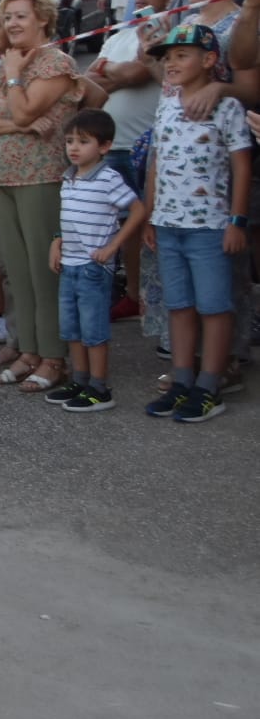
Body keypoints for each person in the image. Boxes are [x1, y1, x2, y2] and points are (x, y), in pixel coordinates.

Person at [0, 0, 82, 394]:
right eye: (9, 17)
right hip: (0, 177)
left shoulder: (55, 62)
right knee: (17, 273)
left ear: (43, 20)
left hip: (41, 177)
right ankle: (31, 351)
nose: (12, 25)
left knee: (43, 270)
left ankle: (54, 356)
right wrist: (18, 124)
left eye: (20, 17)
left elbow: (24, 108)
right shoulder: (7, 64)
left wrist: (16, 79)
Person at [144, 24, 250, 424]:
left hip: (210, 226)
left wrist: (237, 220)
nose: (171, 63)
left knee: (214, 306)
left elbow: (241, 164)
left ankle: (210, 385)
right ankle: (182, 380)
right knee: (180, 305)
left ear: (209, 60)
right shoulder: (167, 102)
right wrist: (149, 214)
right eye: (167, 57)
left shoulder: (226, 107)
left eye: (181, 55)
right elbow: (156, 161)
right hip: (168, 224)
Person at [87, 0, 175, 319]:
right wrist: (119, 73)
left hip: (145, 147)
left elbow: (141, 71)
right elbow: (88, 78)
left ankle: (155, 300)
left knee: (145, 226)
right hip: (110, 145)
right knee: (114, 226)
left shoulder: (165, 30)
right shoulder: (120, 32)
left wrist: (114, 71)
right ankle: (131, 295)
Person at [42, 110, 145, 412]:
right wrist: (56, 241)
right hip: (69, 264)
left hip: (93, 267)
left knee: (93, 328)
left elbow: (137, 210)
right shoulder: (69, 177)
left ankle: (100, 387)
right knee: (71, 327)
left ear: (104, 147)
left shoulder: (109, 178)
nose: (73, 148)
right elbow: (69, 217)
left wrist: (113, 246)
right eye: (70, 141)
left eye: (83, 142)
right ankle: (81, 378)